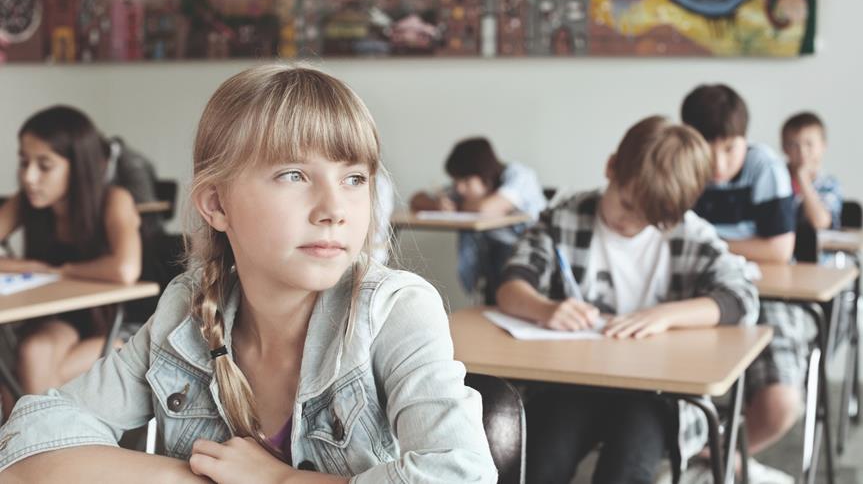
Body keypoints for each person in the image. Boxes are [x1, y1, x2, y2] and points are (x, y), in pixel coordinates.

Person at [0, 64, 495, 483]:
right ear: (217, 203)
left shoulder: (395, 310)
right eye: (294, 175)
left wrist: (280, 479)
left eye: (353, 178)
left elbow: (460, 473)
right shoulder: (186, 310)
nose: (334, 209)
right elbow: (30, 444)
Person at [496, 116, 758, 484]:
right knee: (538, 463)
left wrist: (668, 315)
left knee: (627, 470)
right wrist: (545, 309)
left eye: (648, 217)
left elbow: (742, 297)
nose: (631, 222)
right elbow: (512, 283)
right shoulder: (565, 218)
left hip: (654, 393)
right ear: (611, 168)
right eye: (627, 203)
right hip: (573, 382)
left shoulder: (688, 233)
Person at [685, 84, 805, 483]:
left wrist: (710, 241)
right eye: (708, 149)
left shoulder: (765, 167)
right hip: (696, 293)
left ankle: (723, 454)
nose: (718, 164)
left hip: (765, 293)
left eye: (729, 149)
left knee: (781, 401)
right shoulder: (682, 167)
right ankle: (700, 453)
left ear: (745, 140)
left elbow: (779, 249)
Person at [0, 105, 141, 399]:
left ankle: (26, 440)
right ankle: (36, 441)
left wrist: (53, 270)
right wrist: (30, 266)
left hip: (122, 323)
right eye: (24, 162)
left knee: (22, 370)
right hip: (58, 318)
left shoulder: (114, 200)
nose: (29, 177)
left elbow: (124, 270)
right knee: (30, 356)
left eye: (44, 165)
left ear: (77, 166)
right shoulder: (26, 201)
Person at [410, 137, 546, 302]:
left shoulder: (519, 175)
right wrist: (435, 203)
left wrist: (457, 207)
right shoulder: (464, 191)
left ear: (485, 175)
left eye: (466, 181)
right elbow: (416, 199)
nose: (459, 188)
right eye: (457, 181)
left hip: (532, 254)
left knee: (500, 253)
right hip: (490, 255)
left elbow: (486, 208)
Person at [781, 111, 842, 231]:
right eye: (794, 145)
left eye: (809, 144)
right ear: (784, 148)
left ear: (823, 145)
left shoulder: (829, 184)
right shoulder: (776, 179)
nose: (802, 152)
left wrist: (802, 179)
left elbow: (820, 223)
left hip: (817, 249)